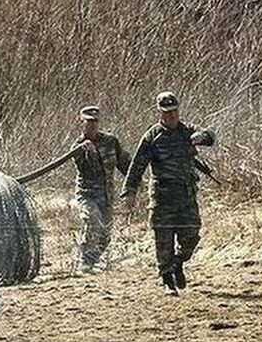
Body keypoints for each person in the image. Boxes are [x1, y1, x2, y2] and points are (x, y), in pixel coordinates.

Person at [120, 91, 216, 295]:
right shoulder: (152, 137)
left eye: (174, 111)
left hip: (186, 196)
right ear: (160, 113)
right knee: (163, 242)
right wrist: (130, 191)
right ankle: (167, 280)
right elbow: (137, 165)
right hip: (162, 197)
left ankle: (178, 263)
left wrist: (203, 136)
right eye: (167, 112)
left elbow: (210, 136)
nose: (171, 116)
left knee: (191, 236)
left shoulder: (187, 131)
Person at [70, 105, 131, 270]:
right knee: (93, 220)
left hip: (107, 195)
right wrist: (92, 153)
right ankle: (85, 261)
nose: (92, 125)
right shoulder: (77, 147)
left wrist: (135, 182)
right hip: (87, 194)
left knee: (105, 235)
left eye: (95, 122)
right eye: (88, 122)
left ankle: (93, 260)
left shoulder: (110, 141)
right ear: (81, 123)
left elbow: (125, 163)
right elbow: (91, 171)